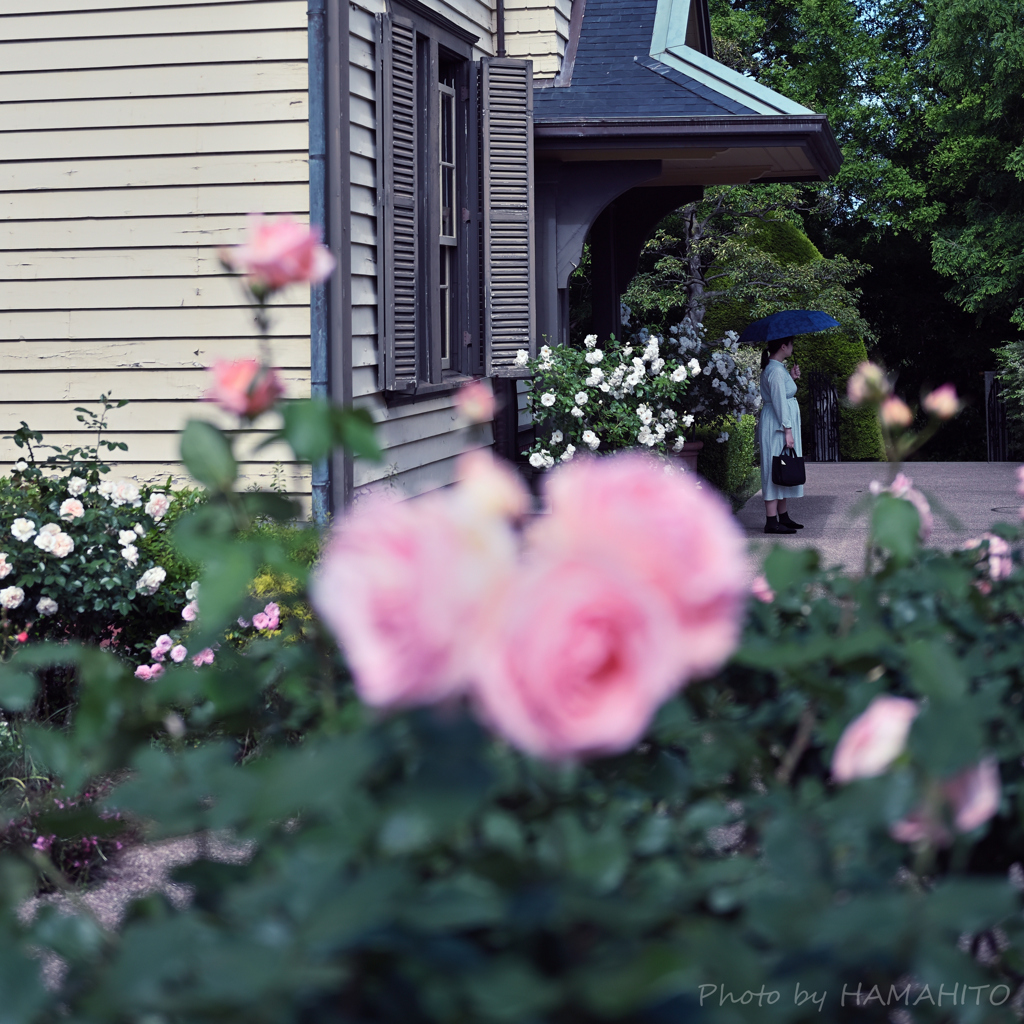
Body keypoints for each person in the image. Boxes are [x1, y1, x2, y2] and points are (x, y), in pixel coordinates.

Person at [758, 336, 804, 534]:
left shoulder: (778, 368)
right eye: (791, 344)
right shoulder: (775, 370)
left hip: (779, 423)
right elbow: (778, 400)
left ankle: (783, 516)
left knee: (782, 467)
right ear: (783, 346)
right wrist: (788, 429)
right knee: (774, 467)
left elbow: (780, 392)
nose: (793, 347)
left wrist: (791, 378)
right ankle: (771, 521)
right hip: (777, 425)